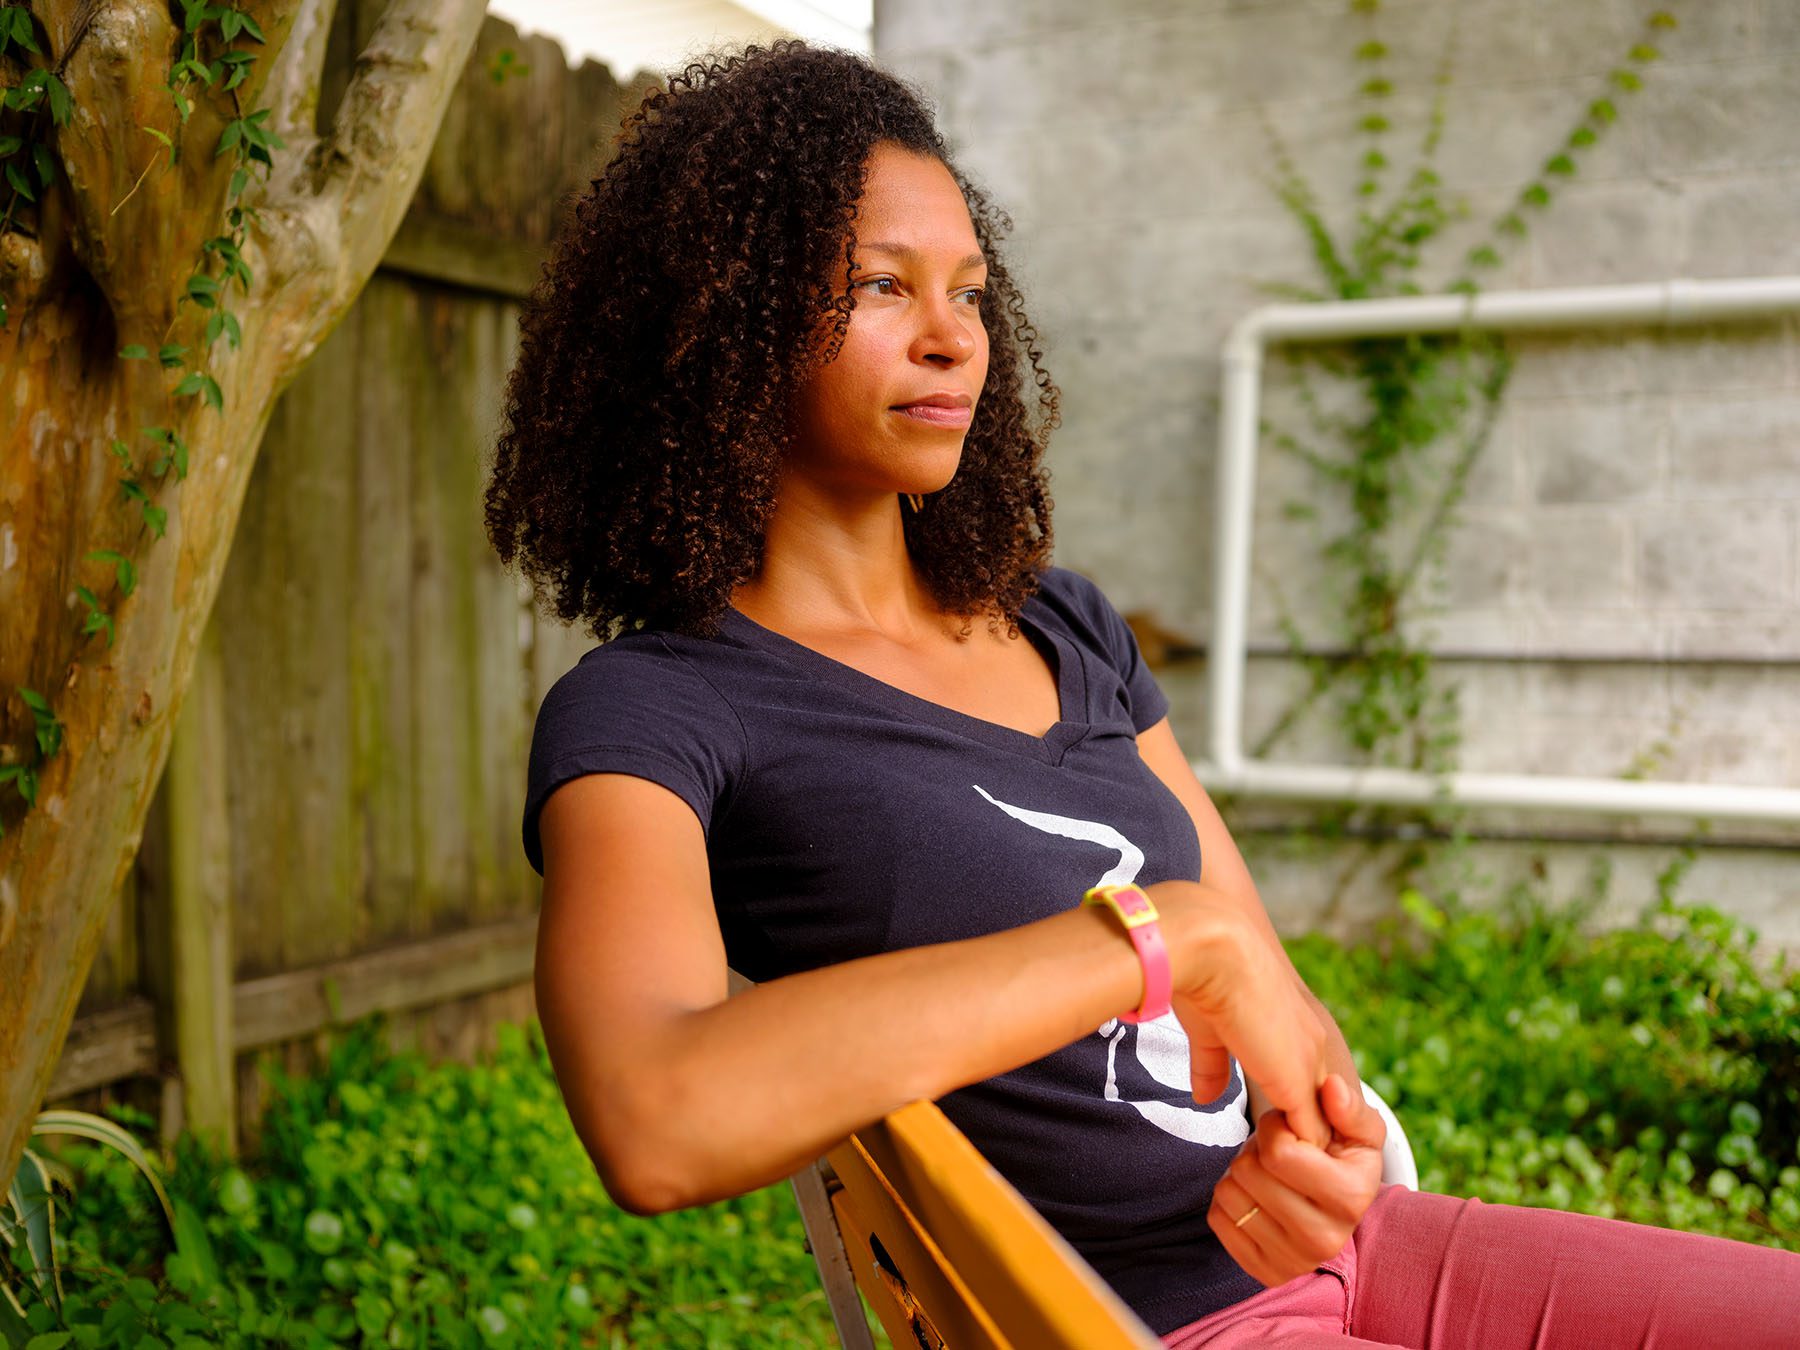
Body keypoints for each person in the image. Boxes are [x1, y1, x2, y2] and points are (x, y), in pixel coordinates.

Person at [483, 41, 1800, 1348]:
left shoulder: (1063, 624)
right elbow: (655, 1116)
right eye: (884, 285)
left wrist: (1334, 1153)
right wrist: (1157, 936)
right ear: (727, 319)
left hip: (1360, 1250)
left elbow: (1279, 1009)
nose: (954, 339)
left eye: (972, 294)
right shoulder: (656, 710)